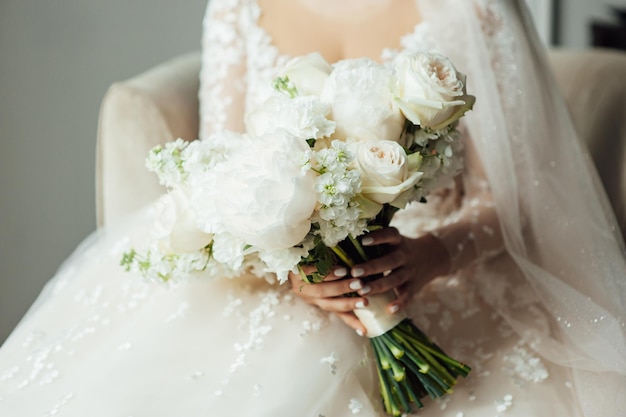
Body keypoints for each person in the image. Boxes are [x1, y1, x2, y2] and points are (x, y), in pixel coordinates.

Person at [0, 0, 625, 416]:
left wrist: (431, 254)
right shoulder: (239, 5)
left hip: (429, 263)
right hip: (282, 265)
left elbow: (521, 194)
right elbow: (227, 159)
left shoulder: (473, 5)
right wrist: (287, 261)